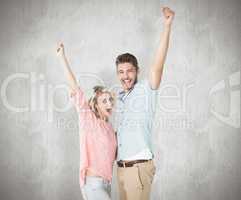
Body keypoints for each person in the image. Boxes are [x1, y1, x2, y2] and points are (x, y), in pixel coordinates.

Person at [114, 7, 175, 200]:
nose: (125, 76)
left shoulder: (146, 91)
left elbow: (158, 66)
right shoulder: (119, 98)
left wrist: (166, 26)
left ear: (137, 71)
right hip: (121, 170)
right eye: (121, 72)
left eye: (130, 71)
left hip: (138, 168)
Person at [56, 43, 117, 200]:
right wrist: (62, 57)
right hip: (93, 185)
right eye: (104, 101)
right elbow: (75, 88)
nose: (109, 103)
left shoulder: (110, 128)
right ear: (95, 105)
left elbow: (114, 155)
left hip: (108, 185)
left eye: (110, 100)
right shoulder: (88, 119)